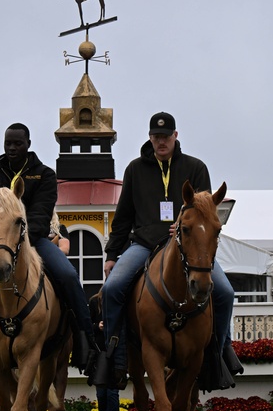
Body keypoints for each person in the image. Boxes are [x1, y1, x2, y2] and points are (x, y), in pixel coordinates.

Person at [92, 111, 241, 389]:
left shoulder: (196, 167)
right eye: (156, 137)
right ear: (150, 138)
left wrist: (181, 228)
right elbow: (123, 217)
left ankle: (217, 355)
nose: (161, 142)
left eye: (166, 136)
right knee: (113, 289)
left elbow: (205, 215)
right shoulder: (134, 169)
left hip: (188, 248)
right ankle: (114, 357)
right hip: (144, 245)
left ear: (175, 136)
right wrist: (112, 255)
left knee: (225, 292)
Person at [0, 123, 98, 372]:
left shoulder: (44, 175)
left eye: (17, 143)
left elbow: (41, 214)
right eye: (8, 143)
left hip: (35, 240)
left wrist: (20, 239)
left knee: (67, 275)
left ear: (28, 145)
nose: (12, 148)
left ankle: (85, 339)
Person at [88, 290, 119, 411]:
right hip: (99, 352)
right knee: (101, 393)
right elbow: (88, 326)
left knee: (112, 392)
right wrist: (97, 326)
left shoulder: (119, 300)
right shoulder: (94, 302)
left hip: (115, 350)